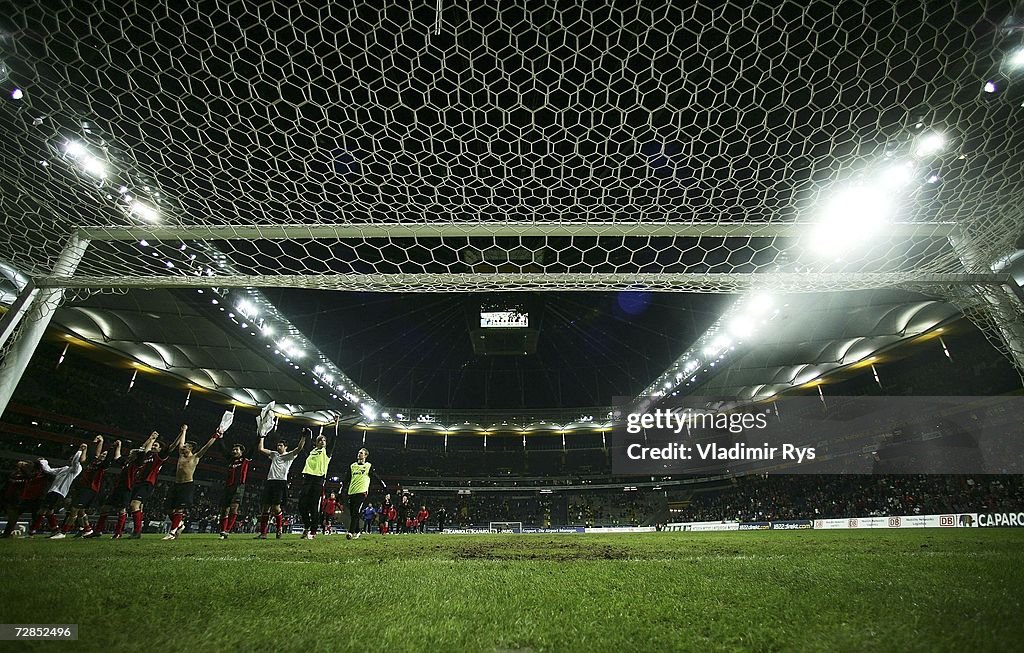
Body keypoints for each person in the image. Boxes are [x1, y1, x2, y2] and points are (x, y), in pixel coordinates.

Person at [163, 425, 218, 540]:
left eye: (186, 446)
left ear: (191, 448)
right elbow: (181, 443)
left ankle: (172, 532)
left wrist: (215, 436)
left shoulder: (195, 457)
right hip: (176, 484)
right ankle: (179, 524)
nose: (183, 447)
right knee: (168, 509)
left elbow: (206, 447)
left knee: (179, 509)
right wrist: (184, 431)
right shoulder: (181, 456)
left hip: (187, 485)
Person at [255, 429, 307, 539]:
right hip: (270, 481)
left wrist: (303, 437)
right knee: (265, 507)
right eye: (278, 445)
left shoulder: (289, 456)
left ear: (285, 447)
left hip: (280, 482)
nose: (278, 447)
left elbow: (299, 448)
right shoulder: (274, 454)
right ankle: (263, 533)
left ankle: (279, 529)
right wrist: (262, 437)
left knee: (276, 507)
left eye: (281, 445)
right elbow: (261, 449)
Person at [66, 437, 119, 537]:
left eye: (105, 455)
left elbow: (107, 458)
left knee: (74, 509)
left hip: (90, 489)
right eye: (103, 453)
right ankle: (87, 529)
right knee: (81, 511)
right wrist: (100, 441)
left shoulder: (103, 465)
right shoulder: (94, 461)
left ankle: (63, 531)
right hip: (83, 487)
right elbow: (96, 452)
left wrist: (112, 448)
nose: (103, 454)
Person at [36, 443, 90, 539]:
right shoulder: (64, 468)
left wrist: (80, 450)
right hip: (52, 491)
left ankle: (33, 531)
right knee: (48, 512)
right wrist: (43, 461)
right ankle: (56, 530)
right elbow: (49, 470)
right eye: (70, 458)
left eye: (72, 458)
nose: (70, 460)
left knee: (44, 511)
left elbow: (75, 462)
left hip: (60, 492)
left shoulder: (77, 469)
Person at [87, 446, 141, 539]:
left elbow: (142, 453)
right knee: (105, 508)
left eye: (131, 453)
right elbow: (117, 457)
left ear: (135, 456)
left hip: (126, 489)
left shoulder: (136, 464)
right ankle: (98, 531)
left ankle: (118, 533)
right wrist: (119, 445)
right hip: (117, 488)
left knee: (121, 509)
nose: (129, 454)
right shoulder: (126, 462)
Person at [128, 430, 172, 539]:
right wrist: (151, 439)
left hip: (147, 483)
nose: (153, 447)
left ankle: (137, 532)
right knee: (136, 507)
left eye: (156, 446)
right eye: (153, 445)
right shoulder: (148, 456)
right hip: (138, 482)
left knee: (134, 505)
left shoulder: (158, 457)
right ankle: (137, 531)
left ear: (160, 449)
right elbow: (145, 449)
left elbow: (170, 448)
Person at [297, 430, 336, 539]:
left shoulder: (327, 452)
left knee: (314, 506)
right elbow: (308, 442)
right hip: (308, 479)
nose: (322, 442)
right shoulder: (311, 451)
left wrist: (335, 425)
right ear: (316, 442)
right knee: (301, 505)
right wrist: (308, 433)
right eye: (320, 440)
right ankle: (307, 525)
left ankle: (313, 531)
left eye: (324, 440)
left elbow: (334, 440)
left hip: (318, 480)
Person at [342, 447, 381, 540]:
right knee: (353, 513)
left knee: (356, 511)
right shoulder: (352, 466)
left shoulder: (368, 466)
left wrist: (383, 485)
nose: (359, 454)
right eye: (359, 452)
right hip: (352, 492)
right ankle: (357, 531)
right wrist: (342, 489)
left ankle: (350, 532)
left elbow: (375, 477)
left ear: (365, 456)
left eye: (361, 453)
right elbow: (347, 479)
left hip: (362, 492)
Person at [216, 437, 252, 540]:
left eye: (236, 449)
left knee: (233, 508)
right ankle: (223, 530)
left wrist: (260, 436)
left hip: (239, 486)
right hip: (228, 486)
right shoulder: (230, 459)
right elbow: (223, 449)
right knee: (224, 509)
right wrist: (220, 438)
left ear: (241, 452)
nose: (234, 451)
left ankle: (227, 530)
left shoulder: (245, 459)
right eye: (233, 449)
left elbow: (253, 449)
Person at [1, 461, 32, 538]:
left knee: (13, 517)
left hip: (19, 499)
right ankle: (7, 533)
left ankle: (7, 533)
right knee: (12, 516)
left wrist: (24, 469)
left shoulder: (26, 476)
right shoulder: (12, 475)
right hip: (9, 498)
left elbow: (29, 477)